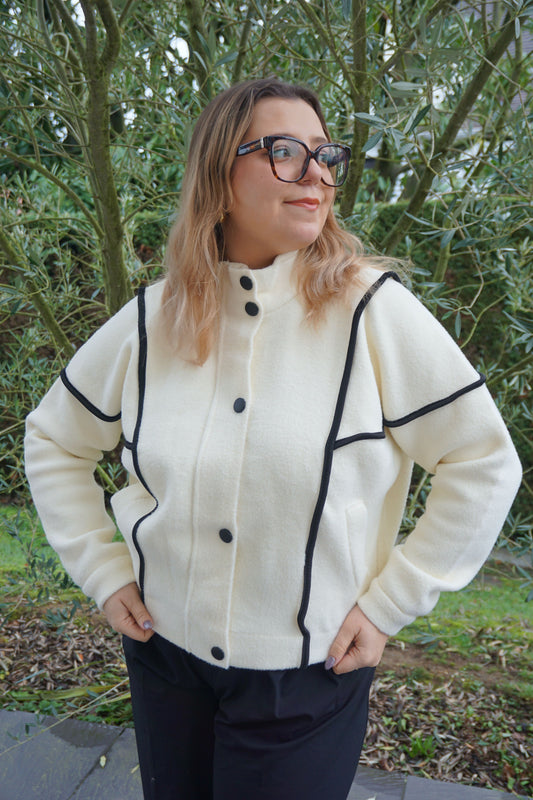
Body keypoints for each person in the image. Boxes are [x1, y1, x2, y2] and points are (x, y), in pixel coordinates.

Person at [24, 77, 522, 800]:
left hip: (308, 679)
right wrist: (103, 572)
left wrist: (391, 603)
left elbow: (482, 459)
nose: (316, 173)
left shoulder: (371, 312)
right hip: (165, 658)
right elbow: (53, 439)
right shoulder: (151, 320)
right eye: (285, 151)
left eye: (325, 154)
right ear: (217, 175)